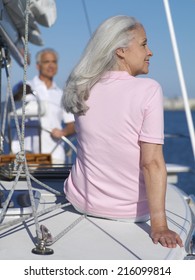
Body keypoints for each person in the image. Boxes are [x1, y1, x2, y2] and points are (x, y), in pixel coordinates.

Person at [62, 15, 183, 248]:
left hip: (80, 202)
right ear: (121, 51)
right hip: (129, 213)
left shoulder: (81, 88)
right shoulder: (148, 89)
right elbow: (152, 163)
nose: (150, 52)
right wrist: (159, 226)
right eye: (144, 44)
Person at [11, 48, 75, 164]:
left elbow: (72, 125)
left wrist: (63, 132)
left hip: (54, 156)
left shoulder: (62, 95)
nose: (51, 65)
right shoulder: (24, 87)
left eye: (54, 62)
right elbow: (13, 97)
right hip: (24, 155)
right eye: (46, 62)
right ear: (38, 66)